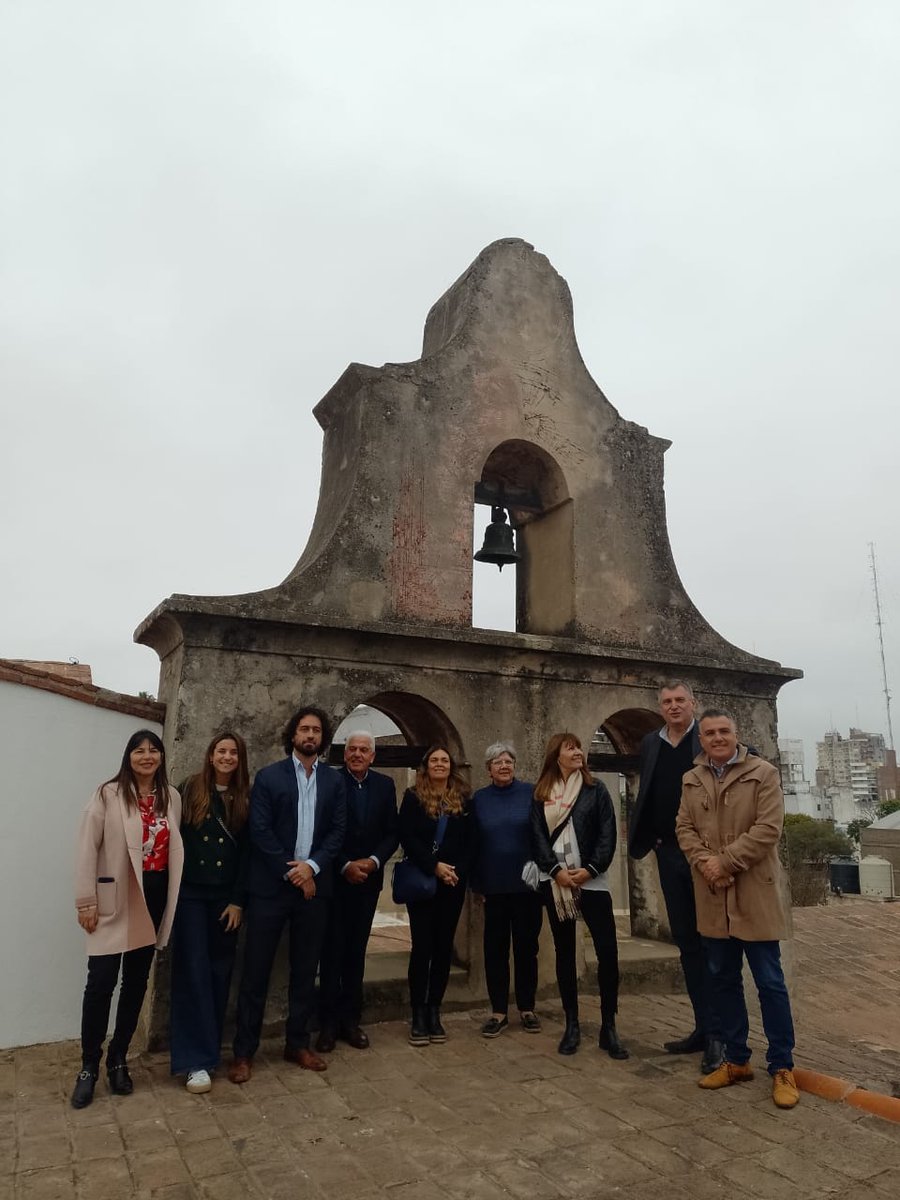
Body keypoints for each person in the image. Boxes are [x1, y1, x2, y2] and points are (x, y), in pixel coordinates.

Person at [675, 709, 799, 1109]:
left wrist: (725, 862)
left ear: (736, 733)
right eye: (709, 732)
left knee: (769, 982)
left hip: (753, 892)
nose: (717, 737)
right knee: (722, 980)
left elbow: (768, 829)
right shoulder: (691, 779)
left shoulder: (763, 773)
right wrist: (706, 864)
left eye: (723, 731)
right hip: (713, 895)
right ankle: (737, 1059)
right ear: (701, 739)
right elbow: (684, 829)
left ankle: (782, 1065)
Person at [228, 706, 346, 1083]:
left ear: (323, 738)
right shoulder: (269, 777)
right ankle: (244, 1052)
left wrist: (312, 867)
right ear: (293, 735)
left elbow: (337, 832)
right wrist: (294, 871)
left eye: (316, 730)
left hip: (314, 890)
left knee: (305, 971)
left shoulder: (334, 781)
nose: (310, 735)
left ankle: (298, 1043)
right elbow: (260, 831)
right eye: (304, 729)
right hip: (270, 890)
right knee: (256, 971)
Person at [72, 730, 184, 1109]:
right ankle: (89, 1065)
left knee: (135, 982)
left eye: (154, 750)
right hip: (114, 897)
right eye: (139, 750)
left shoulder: (171, 797)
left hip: (152, 897)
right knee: (100, 983)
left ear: (162, 756)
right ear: (128, 756)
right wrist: (85, 901)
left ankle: (118, 1058)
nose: (147, 756)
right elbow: (87, 848)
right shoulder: (108, 794)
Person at [628, 681, 723, 1074]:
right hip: (668, 852)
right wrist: (651, 839)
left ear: (693, 704)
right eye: (667, 701)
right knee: (686, 942)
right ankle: (703, 1027)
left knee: (712, 941)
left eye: (680, 700)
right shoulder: (652, 743)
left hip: (703, 855)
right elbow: (650, 790)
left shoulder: (707, 738)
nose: (673, 706)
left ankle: (718, 1034)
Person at [531, 732, 627, 1059]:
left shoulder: (595, 789)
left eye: (578, 748)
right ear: (556, 755)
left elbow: (607, 833)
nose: (577, 752)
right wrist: (555, 870)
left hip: (591, 880)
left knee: (607, 951)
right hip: (556, 882)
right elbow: (537, 837)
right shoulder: (541, 793)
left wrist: (590, 869)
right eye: (570, 748)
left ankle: (608, 1025)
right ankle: (571, 1023)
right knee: (565, 952)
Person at [170, 730, 250, 1093]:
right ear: (210, 755)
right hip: (190, 894)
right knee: (193, 973)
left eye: (233, 752)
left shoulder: (244, 797)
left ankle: (209, 1052)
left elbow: (247, 854)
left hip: (225, 899)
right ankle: (194, 1062)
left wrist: (238, 900)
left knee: (219, 973)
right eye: (221, 751)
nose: (227, 757)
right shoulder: (190, 789)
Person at [315, 729, 399, 1052]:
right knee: (331, 952)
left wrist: (374, 861)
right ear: (344, 752)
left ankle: (351, 1020)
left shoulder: (385, 785)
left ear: (373, 756)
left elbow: (391, 832)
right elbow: (322, 830)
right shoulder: (330, 781)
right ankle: (327, 1023)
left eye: (364, 749)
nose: (358, 754)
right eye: (352, 749)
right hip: (336, 881)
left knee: (356, 952)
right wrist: (345, 864)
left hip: (368, 882)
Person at [398, 744, 471, 1046]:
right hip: (423, 881)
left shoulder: (463, 799)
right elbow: (407, 837)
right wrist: (434, 866)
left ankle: (434, 1010)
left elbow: (470, 840)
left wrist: (456, 872)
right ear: (426, 766)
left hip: (452, 884)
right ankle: (418, 1012)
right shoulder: (413, 797)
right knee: (422, 948)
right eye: (434, 760)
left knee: (443, 949)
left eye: (444, 760)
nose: (440, 764)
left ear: (451, 766)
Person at [470, 742, 542, 1037]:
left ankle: (527, 1008)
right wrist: (477, 884)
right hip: (493, 887)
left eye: (508, 762)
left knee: (527, 949)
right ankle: (498, 1011)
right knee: (495, 950)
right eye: (497, 762)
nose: (504, 766)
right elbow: (474, 843)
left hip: (527, 886)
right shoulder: (480, 799)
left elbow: (541, 835)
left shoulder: (531, 793)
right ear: (488, 769)